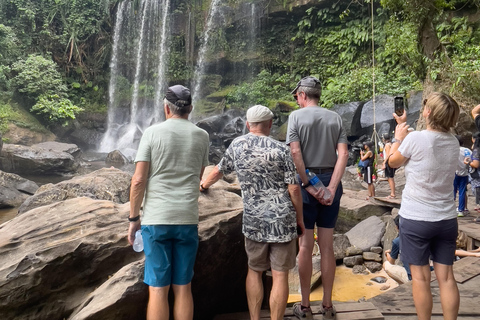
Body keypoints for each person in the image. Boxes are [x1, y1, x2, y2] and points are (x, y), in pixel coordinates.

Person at [200, 105, 305, 320]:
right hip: (282, 220)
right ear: (269, 124)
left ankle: (255, 318)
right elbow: (293, 188)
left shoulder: (237, 145)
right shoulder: (281, 149)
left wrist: (203, 185)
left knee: (254, 270)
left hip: (254, 220)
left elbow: (219, 171)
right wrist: (299, 219)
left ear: (248, 124)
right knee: (279, 274)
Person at [127, 85, 210, 320]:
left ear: (166, 108)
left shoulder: (152, 133)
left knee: (158, 289)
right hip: (187, 219)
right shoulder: (202, 136)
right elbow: (198, 174)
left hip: (156, 220)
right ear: (190, 109)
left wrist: (134, 219)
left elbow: (138, 180)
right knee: (183, 287)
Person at [388, 92, 463, 320]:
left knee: (420, 278)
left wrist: (398, 137)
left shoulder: (415, 139)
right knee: (447, 278)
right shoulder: (453, 141)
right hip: (446, 220)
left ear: (428, 112)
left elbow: (391, 162)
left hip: (417, 219)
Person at [286, 76, 349, 320]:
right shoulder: (335, 117)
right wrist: (330, 188)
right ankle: (327, 305)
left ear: (302, 95)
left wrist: (306, 183)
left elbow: (294, 152)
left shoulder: (295, 118)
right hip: (330, 182)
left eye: (297, 97)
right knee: (327, 246)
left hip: (305, 186)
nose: (297, 101)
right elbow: (342, 155)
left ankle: (304, 306)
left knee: (304, 245)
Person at [384, 215, 411, 283]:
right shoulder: (422, 237)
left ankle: (403, 284)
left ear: (397, 227)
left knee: (386, 265)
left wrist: (387, 254)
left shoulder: (397, 241)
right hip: (429, 272)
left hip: (413, 278)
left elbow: (391, 262)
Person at [454, 135, 471, 217]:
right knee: (462, 191)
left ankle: (451, 209)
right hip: (464, 173)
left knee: (452, 191)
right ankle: (461, 210)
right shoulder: (467, 150)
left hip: (454, 173)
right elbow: (471, 159)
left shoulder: (454, 150)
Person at [382, 133, 396, 199]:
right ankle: (392, 193)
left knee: (390, 178)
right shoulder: (391, 144)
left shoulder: (387, 145)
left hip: (388, 162)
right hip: (391, 162)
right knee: (390, 178)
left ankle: (392, 194)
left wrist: (384, 163)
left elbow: (388, 155)